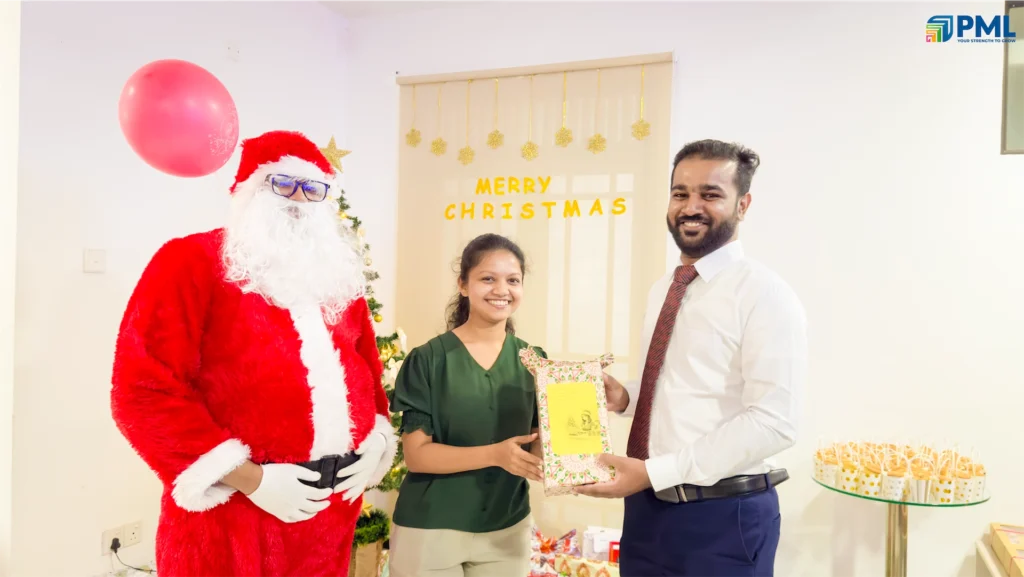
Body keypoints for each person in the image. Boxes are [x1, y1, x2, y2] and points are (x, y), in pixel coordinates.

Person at [110, 130, 398, 576]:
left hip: (330, 515)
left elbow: (366, 373)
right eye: (283, 184)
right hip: (234, 517)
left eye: (312, 188)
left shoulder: (337, 279)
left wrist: (377, 440)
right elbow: (144, 391)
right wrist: (253, 480)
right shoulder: (191, 261)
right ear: (249, 191)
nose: (298, 200)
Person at [575, 139, 808, 577]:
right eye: (681, 193)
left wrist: (654, 472)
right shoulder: (665, 286)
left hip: (722, 519)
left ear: (744, 204)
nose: (691, 206)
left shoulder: (765, 294)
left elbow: (775, 422)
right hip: (646, 514)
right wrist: (625, 396)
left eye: (710, 194)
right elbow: (677, 383)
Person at [387, 233, 546, 577]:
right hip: (431, 530)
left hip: (507, 531)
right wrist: (495, 454)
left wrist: (574, 431)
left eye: (513, 280)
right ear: (463, 285)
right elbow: (417, 455)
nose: (501, 290)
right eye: (487, 278)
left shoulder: (535, 362)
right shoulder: (427, 360)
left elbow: (534, 448)